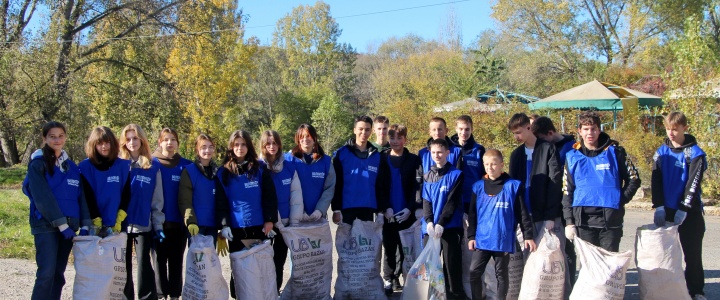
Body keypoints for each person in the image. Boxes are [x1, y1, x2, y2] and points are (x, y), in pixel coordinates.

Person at [23, 121, 91, 300]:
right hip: (46, 226)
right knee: (46, 273)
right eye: (52, 136)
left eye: (60, 136)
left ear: (65, 137)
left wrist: (84, 224)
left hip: (69, 228)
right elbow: (43, 198)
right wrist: (61, 225)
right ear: (44, 138)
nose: (57, 139)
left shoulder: (72, 167)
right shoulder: (38, 164)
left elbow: (81, 196)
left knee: (59, 276)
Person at [562, 111, 640, 252]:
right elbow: (567, 190)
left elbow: (634, 179)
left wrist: (620, 199)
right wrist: (569, 222)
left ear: (599, 130)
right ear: (580, 131)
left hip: (610, 221)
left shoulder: (616, 152)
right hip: (584, 221)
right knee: (590, 267)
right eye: (586, 129)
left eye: (593, 129)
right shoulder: (572, 156)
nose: (590, 133)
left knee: (609, 266)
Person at [651, 112, 707, 300]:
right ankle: (668, 291)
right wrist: (658, 206)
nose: (671, 133)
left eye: (675, 129)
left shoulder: (695, 153)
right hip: (666, 210)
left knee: (692, 255)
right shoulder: (660, 152)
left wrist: (684, 208)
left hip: (689, 211)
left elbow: (693, 183)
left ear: (685, 128)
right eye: (668, 129)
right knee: (666, 255)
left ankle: (696, 291)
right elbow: (655, 180)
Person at [216, 130, 279, 298]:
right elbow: (221, 203)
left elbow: (269, 196)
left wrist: (270, 220)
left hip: (258, 227)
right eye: (236, 144)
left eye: (243, 144)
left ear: (248, 146)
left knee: (260, 268)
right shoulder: (223, 173)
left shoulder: (259, 169)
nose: (240, 148)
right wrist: (224, 225)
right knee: (240, 270)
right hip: (236, 231)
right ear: (231, 147)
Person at [467, 149, 536, 300]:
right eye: (486, 164)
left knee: (501, 274)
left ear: (501, 165)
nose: (490, 167)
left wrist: (528, 235)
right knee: (474, 272)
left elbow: (522, 213)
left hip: (502, 239)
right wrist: (471, 236)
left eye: (493, 164)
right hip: (483, 239)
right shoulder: (478, 187)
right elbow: (472, 214)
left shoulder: (513, 186)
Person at [118, 124, 164, 300]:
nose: (131, 142)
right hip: (120, 225)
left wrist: (158, 224)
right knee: (123, 265)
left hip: (143, 224)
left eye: (135, 138)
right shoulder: (119, 165)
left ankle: (147, 297)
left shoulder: (153, 166)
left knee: (144, 264)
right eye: (128, 139)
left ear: (141, 140)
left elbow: (157, 199)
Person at [531, 116, 577, 287]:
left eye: (542, 139)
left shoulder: (570, 149)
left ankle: (569, 286)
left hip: (567, 205)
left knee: (568, 251)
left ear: (550, 133)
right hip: (551, 207)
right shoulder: (543, 148)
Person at [507, 113, 564, 247]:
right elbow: (514, 187)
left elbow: (554, 183)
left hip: (545, 215)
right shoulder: (516, 155)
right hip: (525, 218)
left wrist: (550, 216)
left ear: (529, 127)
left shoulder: (548, 148)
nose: (516, 137)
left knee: (554, 259)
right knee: (529, 262)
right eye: (514, 133)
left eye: (518, 132)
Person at [380, 124, 422, 295]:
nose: (395, 141)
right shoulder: (382, 158)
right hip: (389, 214)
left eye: (399, 138)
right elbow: (379, 186)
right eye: (392, 138)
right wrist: (384, 208)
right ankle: (389, 279)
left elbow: (417, 186)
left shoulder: (413, 160)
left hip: (406, 214)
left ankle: (408, 280)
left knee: (407, 250)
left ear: (405, 139)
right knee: (389, 249)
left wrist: (410, 209)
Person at [422, 138, 466, 300]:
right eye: (433, 152)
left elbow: (452, 202)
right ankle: (432, 295)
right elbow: (426, 200)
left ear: (448, 153)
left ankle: (454, 294)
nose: (437, 155)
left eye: (440, 152)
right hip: (431, 227)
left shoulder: (456, 174)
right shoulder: (427, 176)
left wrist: (441, 223)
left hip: (450, 226)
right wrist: (429, 221)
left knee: (451, 264)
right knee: (430, 264)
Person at [151, 128, 192, 300]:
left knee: (176, 262)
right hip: (157, 223)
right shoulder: (151, 163)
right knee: (159, 262)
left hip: (178, 223)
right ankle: (160, 294)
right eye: (166, 139)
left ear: (177, 143)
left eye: (173, 139)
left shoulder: (186, 165)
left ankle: (175, 294)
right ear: (160, 142)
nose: (169, 142)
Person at [260, 130, 303, 291]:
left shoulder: (289, 167)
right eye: (268, 143)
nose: (272, 146)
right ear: (263, 145)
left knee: (279, 261)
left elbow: (296, 197)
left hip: (285, 225)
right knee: (264, 261)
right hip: (265, 224)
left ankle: (275, 291)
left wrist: (293, 222)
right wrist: (272, 219)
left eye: (275, 143)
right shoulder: (258, 168)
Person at [331, 115, 390, 225]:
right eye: (361, 129)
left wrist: (381, 211)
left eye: (367, 130)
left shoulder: (377, 156)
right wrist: (336, 209)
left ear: (371, 131)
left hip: (368, 209)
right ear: (354, 130)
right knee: (346, 242)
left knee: (365, 242)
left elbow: (380, 185)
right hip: (346, 208)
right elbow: (336, 183)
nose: (364, 132)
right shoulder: (341, 153)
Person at [79, 126, 131, 237]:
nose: (104, 147)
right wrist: (96, 220)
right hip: (93, 223)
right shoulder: (85, 167)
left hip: (118, 222)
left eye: (107, 142)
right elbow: (87, 196)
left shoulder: (123, 166)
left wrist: (119, 219)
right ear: (93, 145)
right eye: (100, 143)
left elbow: (127, 194)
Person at [284, 124, 335, 221]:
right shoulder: (289, 160)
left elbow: (329, 188)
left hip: (318, 217)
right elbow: (284, 188)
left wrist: (320, 210)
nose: (305, 139)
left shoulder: (326, 161)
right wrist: (298, 211)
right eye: (302, 136)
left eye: (308, 136)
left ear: (314, 138)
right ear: (297, 139)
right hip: (294, 217)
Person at [179, 134, 221, 245]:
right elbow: (185, 200)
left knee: (210, 260)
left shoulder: (218, 172)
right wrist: (190, 221)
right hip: (196, 226)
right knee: (198, 261)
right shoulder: (189, 171)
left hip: (213, 225)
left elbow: (222, 200)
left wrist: (223, 226)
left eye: (210, 147)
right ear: (197, 150)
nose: (207, 150)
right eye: (203, 147)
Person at [450, 115, 486, 213]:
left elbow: (485, 175)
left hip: (472, 198)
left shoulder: (479, 150)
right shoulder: (448, 148)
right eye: (461, 129)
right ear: (456, 129)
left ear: (472, 129)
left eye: (467, 129)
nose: (463, 133)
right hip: (451, 199)